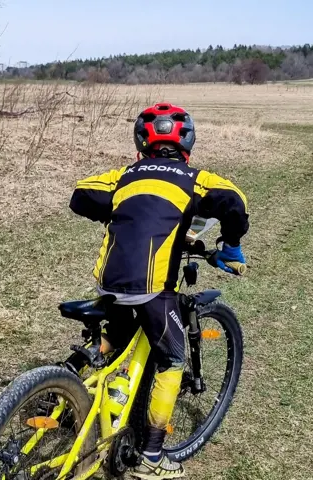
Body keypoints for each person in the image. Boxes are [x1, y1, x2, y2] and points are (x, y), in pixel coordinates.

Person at [70, 103, 249, 479]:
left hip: (108, 279)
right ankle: (151, 457)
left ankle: (65, 380)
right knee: (172, 359)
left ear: (141, 147)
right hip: (151, 287)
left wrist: (128, 213)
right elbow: (235, 202)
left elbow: (81, 195)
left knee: (116, 334)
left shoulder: (125, 175)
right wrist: (230, 246)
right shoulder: (194, 178)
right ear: (187, 147)